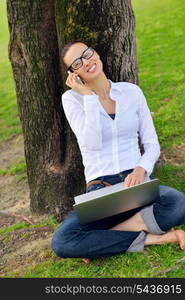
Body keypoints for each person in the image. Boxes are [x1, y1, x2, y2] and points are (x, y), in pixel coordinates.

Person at [51, 41, 185, 263]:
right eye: (77, 62)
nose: (87, 61)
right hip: (101, 190)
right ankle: (155, 238)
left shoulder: (131, 92)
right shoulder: (72, 99)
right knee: (62, 241)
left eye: (87, 53)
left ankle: (106, 237)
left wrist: (141, 169)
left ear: (96, 53)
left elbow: (151, 143)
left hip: (137, 184)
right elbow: (91, 142)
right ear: (73, 74)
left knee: (179, 204)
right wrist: (88, 97)